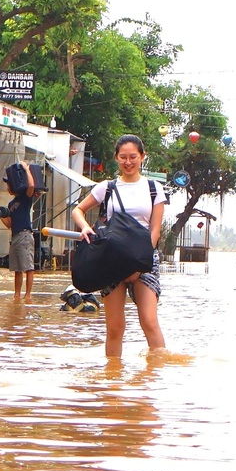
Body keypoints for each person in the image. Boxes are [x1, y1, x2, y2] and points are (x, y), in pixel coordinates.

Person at [70, 134, 168, 357]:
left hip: (144, 260)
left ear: (142, 157)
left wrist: (139, 263)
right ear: (116, 158)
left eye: (133, 156)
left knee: (149, 321)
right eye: (123, 157)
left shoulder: (154, 188)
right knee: (115, 327)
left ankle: (156, 377)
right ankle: (112, 380)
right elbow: (78, 210)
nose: (128, 162)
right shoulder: (107, 187)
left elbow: (155, 230)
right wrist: (85, 228)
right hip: (111, 260)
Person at [0, 161, 40, 302]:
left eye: (8, 184)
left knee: (28, 267)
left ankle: (28, 295)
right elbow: (9, 224)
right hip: (15, 236)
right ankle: (17, 295)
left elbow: (32, 186)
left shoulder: (25, 198)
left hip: (25, 235)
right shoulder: (11, 204)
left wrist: (26, 169)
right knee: (17, 269)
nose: (7, 187)